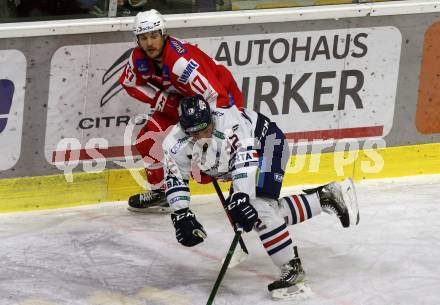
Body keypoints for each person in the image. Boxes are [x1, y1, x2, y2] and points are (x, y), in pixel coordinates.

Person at [162, 95, 360, 300]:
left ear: (211, 117)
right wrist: (181, 212)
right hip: (243, 161)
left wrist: (240, 196)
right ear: (184, 129)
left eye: (206, 128)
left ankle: (293, 269)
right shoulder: (174, 143)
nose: (203, 134)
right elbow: (175, 178)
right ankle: (324, 198)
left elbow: (243, 164)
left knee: (258, 209)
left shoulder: (230, 124)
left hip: (268, 145)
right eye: (195, 132)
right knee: (259, 211)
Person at [119, 9, 244, 213]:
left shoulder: (181, 64)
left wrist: (206, 131)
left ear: (163, 34)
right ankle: (162, 194)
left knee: (222, 150)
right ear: (137, 39)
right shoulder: (138, 58)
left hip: (222, 98)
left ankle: (240, 190)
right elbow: (128, 82)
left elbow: (217, 97)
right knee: (147, 141)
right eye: (143, 37)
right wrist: (161, 100)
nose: (149, 43)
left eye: (154, 36)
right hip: (181, 103)